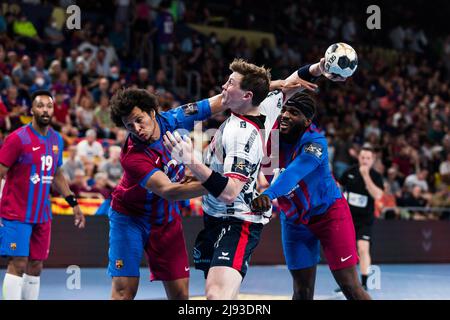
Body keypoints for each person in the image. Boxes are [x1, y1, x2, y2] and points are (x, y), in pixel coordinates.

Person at [163, 58, 318, 300]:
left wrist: (190, 159)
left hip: (236, 221)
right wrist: (320, 69)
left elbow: (229, 192)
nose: (223, 86)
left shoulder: (241, 136)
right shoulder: (264, 107)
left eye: (230, 83)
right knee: (227, 294)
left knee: (216, 296)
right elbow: (291, 83)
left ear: (246, 95)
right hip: (214, 218)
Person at [251, 86, 371, 299]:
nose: (286, 116)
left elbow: (293, 174)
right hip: (294, 221)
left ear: (307, 121)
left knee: (351, 287)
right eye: (285, 110)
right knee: (301, 290)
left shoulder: (316, 142)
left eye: (294, 113)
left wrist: (268, 194)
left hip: (329, 215)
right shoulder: (268, 132)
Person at [0, 90, 85, 300]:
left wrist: (72, 202)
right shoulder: (17, 139)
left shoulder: (57, 139)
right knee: (18, 263)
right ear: (32, 110)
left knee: (36, 265)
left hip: (42, 215)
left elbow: (57, 174)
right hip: (16, 213)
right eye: (40, 105)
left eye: (49, 106)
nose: (45, 110)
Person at [339, 145, 384, 290]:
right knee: (346, 251)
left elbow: (377, 195)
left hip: (365, 219)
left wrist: (366, 176)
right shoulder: (350, 172)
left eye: (368, 158)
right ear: (359, 158)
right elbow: (338, 186)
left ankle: (364, 284)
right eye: (363, 157)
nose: (365, 160)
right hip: (347, 218)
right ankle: (346, 283)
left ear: (373, 160)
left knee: (363, 248)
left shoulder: (376, 177)